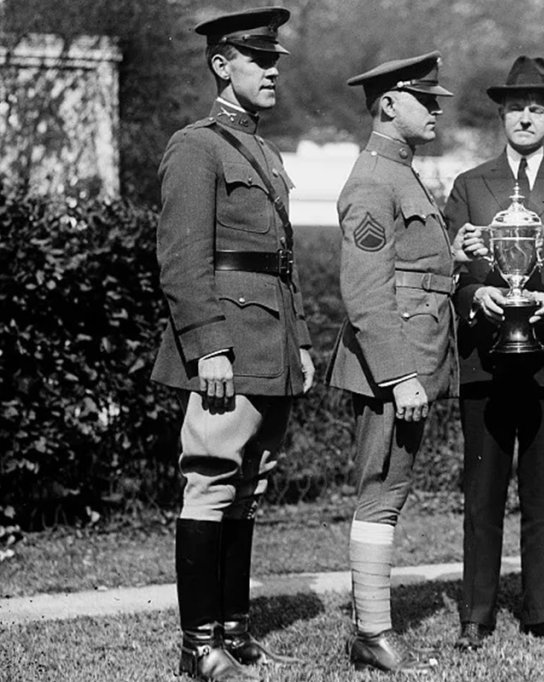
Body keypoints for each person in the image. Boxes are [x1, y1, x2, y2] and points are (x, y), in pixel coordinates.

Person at [150, 6, 314, 681]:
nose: (274, 70)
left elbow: (281, 262)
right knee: (211, 483)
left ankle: (235, 633)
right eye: (259, 59)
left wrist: (298, 342)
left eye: (276, 59)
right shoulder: (197, 146)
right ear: (222, 64)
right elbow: (182, 260)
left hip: (269, 345)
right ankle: (199, 647)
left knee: (249, 487)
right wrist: (208, 347)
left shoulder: (263, 152)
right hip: (228, 348)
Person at [443, 56, 544, 651]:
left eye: (537, 108)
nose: (526, 118)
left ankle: (543, 610)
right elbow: (449, 262)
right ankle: (476, 612)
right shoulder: (470, 184)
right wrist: (475, 292)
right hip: (485, 357)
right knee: (482, 493)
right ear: (501, 115)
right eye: (516, 108)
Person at [325, 51, 459, 675]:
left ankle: (371, 629)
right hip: (393, 365)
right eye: (424, 100)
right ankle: (371, 632)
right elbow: (367, 292)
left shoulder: (402, 173)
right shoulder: (373, 180)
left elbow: (416, 268)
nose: (436, 109)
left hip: (413, 356)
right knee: (380, 490)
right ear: (387, 105)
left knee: (393, 488)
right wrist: (401, 375)